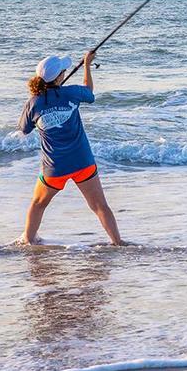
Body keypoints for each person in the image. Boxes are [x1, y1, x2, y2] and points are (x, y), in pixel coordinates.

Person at [17, 51, 123, 246]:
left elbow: (24, 128)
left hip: (54, 168)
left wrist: (38, 100)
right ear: (59, 77)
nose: (65, 73)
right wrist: (87, 66)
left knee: (38, 204)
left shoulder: (34, 103)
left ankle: (28, 241)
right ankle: (118, 243)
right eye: (63, 71)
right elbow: (89, 94)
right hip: (82, 162)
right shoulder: (72, 93)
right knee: (100, 206)